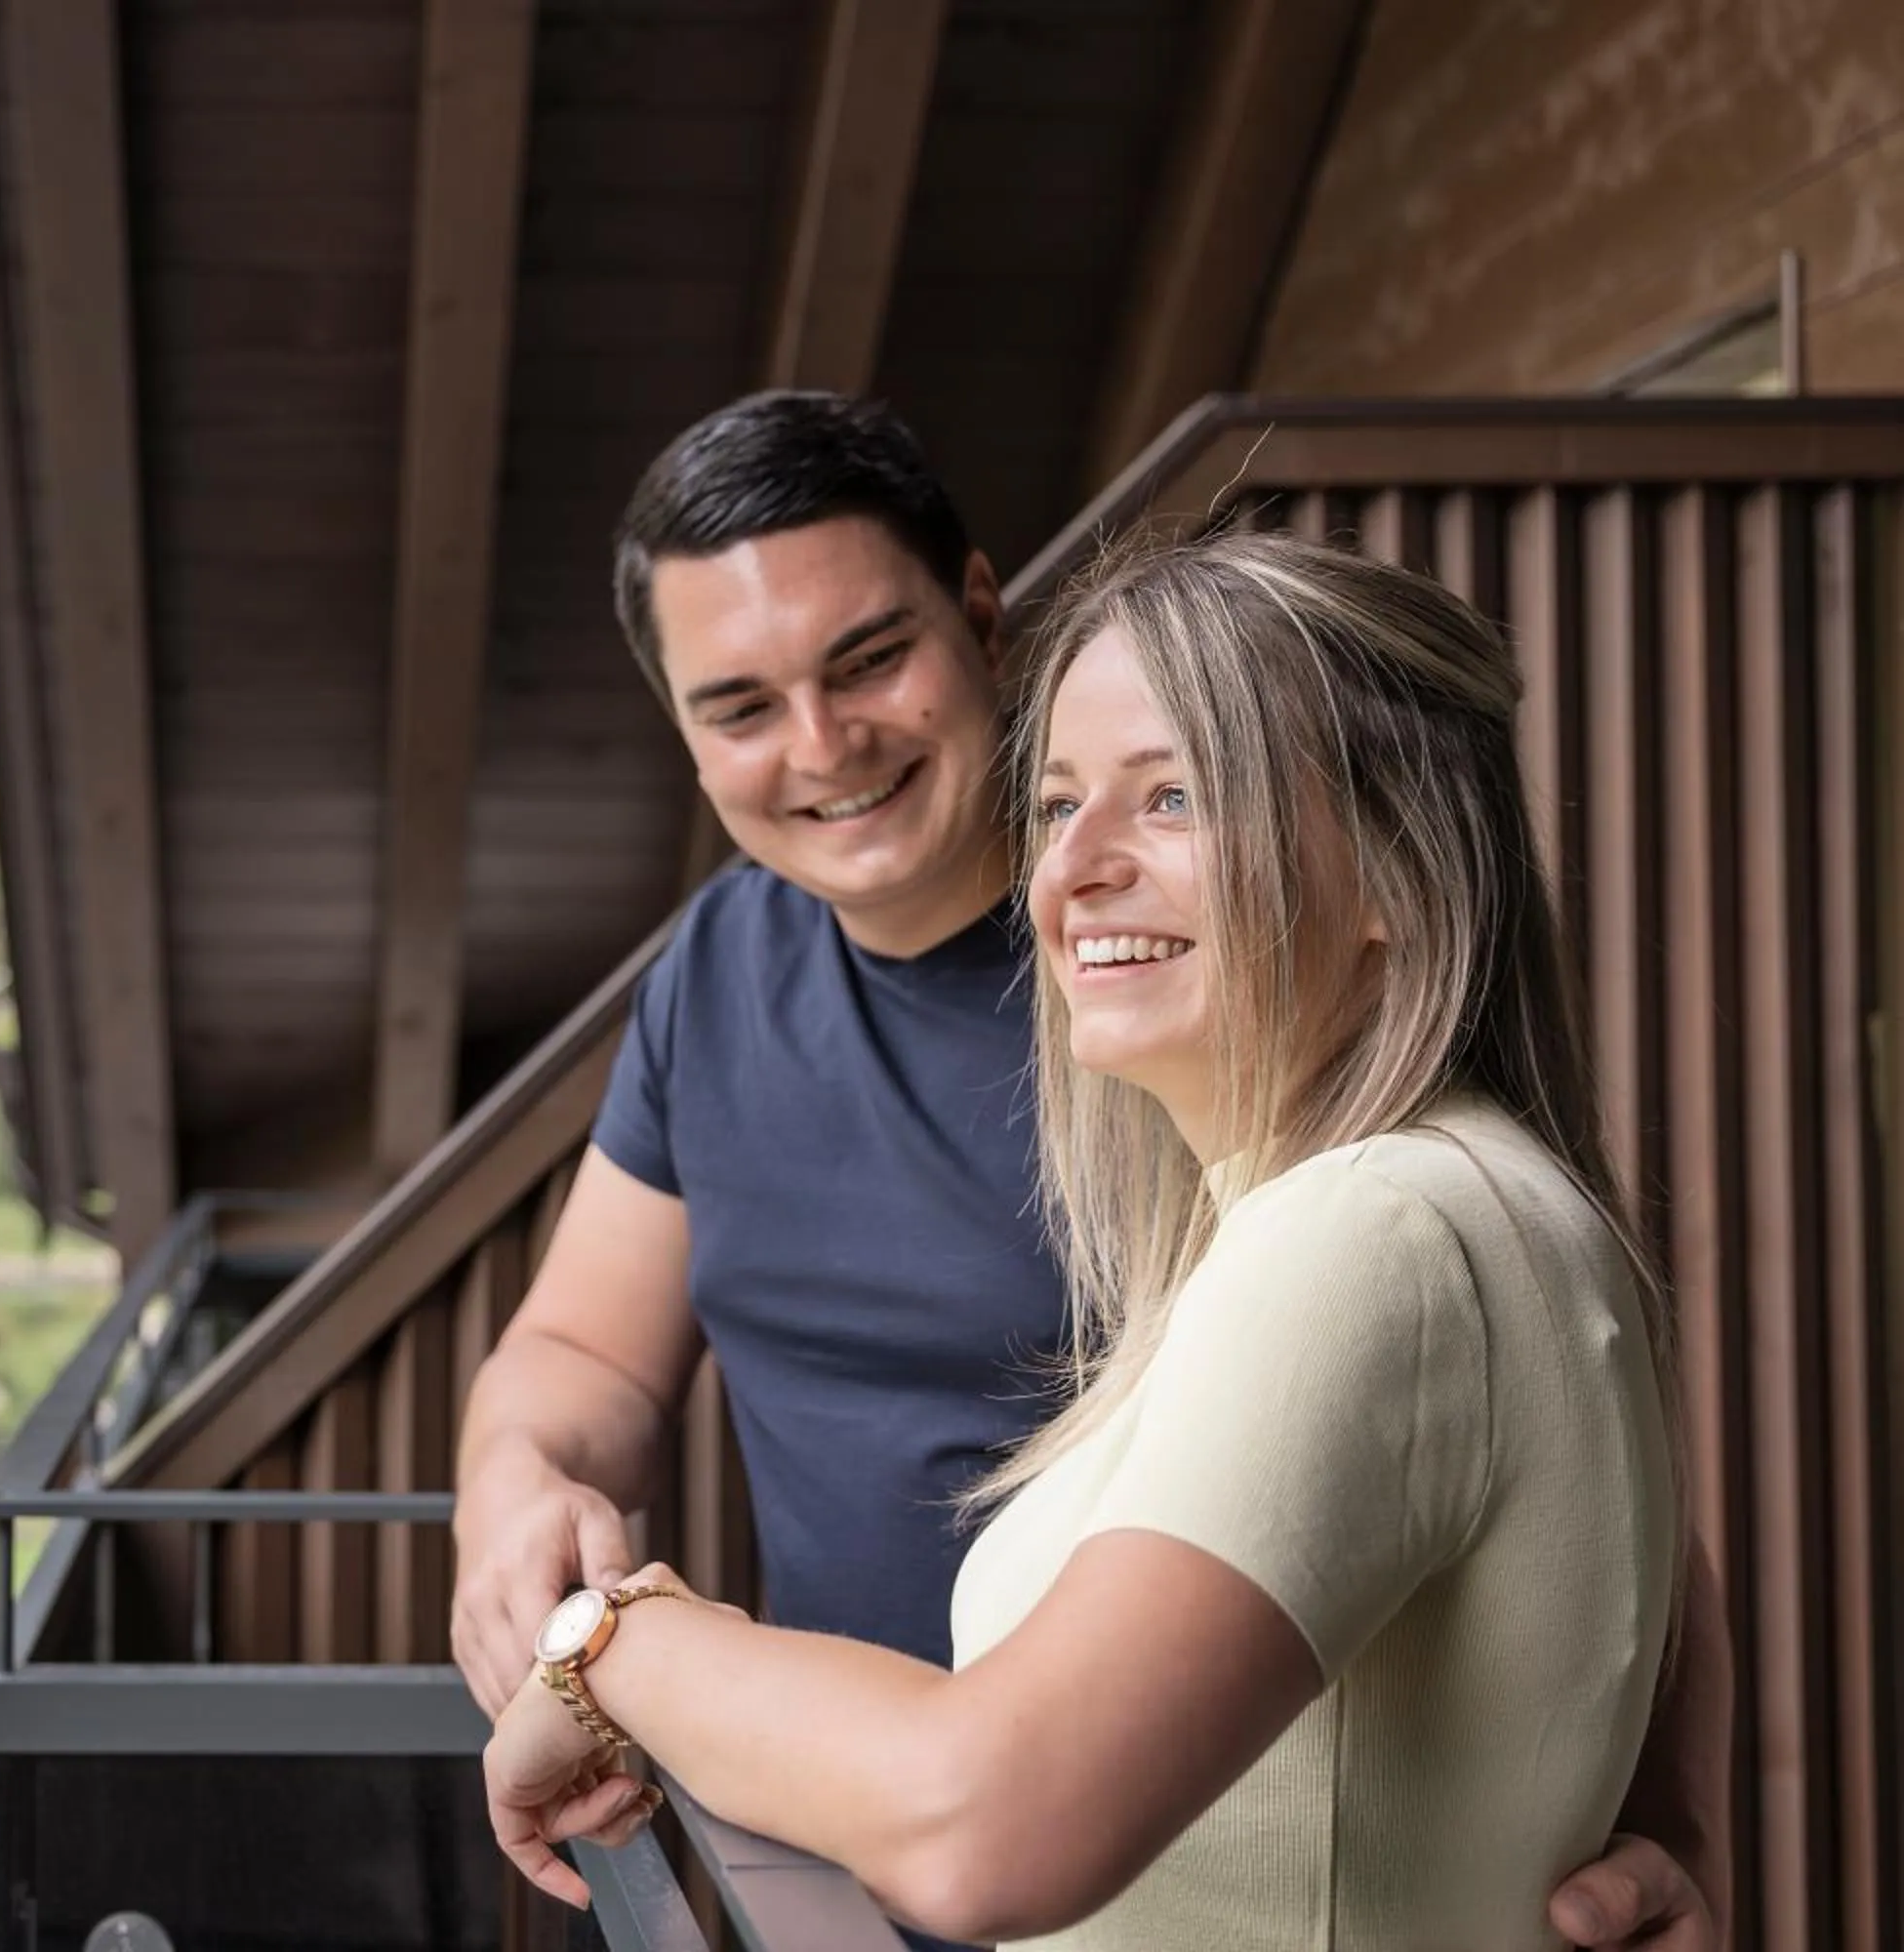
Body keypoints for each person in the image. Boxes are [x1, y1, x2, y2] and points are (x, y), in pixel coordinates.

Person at [447, 393, 1726, 1949]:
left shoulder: (1336, 1191)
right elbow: (576, 1350)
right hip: (857, 1874)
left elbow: (1553, 1479)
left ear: (981, 614)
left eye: (868, 660)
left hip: (1058, 1839)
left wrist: (610, 1648)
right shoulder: (726, 974)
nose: (824, 746)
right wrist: (513, 1498)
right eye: (741, 707)